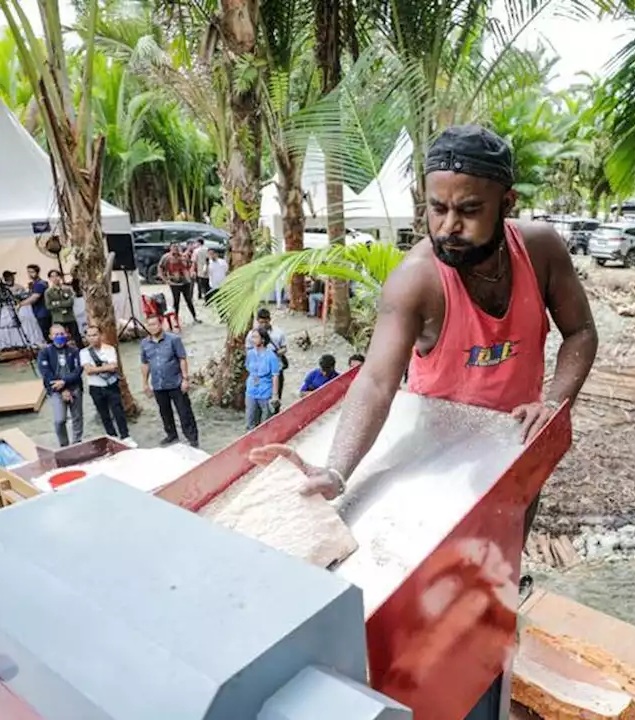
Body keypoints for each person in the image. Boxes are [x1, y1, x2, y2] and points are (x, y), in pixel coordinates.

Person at [252, 124, 596, 507]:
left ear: (507, 203)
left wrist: (553, 404)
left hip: (514, 443)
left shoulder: (541, 250)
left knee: (507, 548)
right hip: (435, 455)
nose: (449, 227)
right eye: (437, 209)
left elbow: (580, 331)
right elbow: (377, 381)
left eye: (469, 210)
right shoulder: (417, 280)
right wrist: (336, 471)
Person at [140, 314, 198, 447]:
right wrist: (145, 383)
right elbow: (145, 363)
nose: (152, 327)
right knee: (165, 412)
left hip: (175, 382)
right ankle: (171, 435)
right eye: (149, 325)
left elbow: (182, 359)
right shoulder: (145, 343)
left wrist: (185, 379)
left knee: (184, 412)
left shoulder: (173, 339)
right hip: (158, 384)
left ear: (161, 324)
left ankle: (192, 438)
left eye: (154, 324)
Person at [37, 324, 84, 447]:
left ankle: (77, 443)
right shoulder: (45, 352)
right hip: (56, 391)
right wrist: (62, 389)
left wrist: (64, 382)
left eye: (62, 334)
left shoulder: (74, 351)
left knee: (77, 417)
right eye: (56, 334)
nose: (60, 336)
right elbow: (46, 374)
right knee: (59, 419)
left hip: (74, 387)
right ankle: (64, 445)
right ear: (50, 337)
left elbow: (78, 370)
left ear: (66, 334)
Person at [80, 324, 130, 440]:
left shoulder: (109, 349)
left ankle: (125, 436)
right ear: (86, 337)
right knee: (104, 414)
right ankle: (112, 437)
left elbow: (114, 367)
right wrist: (105, 367)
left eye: (95, 335)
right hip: (95, 387)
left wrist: (96, 369)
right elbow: (88, 370)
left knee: (118, 412)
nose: (93, 338)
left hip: (111, 385)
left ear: (101, 335)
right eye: (90, 336)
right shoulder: (84, 352)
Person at [244, 329, 283, 429]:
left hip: (265, 392)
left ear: (263, 340)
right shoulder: (250, 354)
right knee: (250, 421)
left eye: (255, 337)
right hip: (251, 391)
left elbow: (275, 375)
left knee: (266, 423)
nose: (253, 340)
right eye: (252, 337)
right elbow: (249, 368)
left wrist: (275, 395)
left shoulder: (271, 356)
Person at [158, 243, 200, 324]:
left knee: (188, 300)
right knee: (176, 301)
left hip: (185, 282)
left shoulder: (183, 257)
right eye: (174, 247)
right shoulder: (166, 257)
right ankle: (176, 319)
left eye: (177, 247)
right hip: (174, 283)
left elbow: (190, 265)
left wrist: (191, 272)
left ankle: (194, 317)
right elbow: (160, 267)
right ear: (170, 248)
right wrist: (164, 279)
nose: (175, 249)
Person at [253, 308, 287, 397]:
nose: (263, 325)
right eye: (261, 322)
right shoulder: (252, 335)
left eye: (266, 322)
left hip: (277, 368)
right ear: (257, 321)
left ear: (270, 320)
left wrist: (276, 354)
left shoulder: (278, 333)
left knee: (276, 396)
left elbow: (284, 348)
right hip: (259, 370)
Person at [44, 269, 80, 346]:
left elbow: (71, 302)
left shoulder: (67, 289)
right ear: (49, 279)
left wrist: (57, 303)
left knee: (77, 337)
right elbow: (49, 306)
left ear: (60, 277)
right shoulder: (48, 292)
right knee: (59, 337)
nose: (55, 278)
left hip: (70, 316)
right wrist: (63, 303)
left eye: (57, 276)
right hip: (58, 318)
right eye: (52, 276)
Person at [21, 264, 51, 343]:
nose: (30, 274)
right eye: (28, 272)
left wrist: (21, 304)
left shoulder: (40, 284)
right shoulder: (33, 284)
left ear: (37, 272)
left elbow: (34, 298)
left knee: (47, 333)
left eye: (32, 272)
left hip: (44, 312)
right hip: (38, 312)